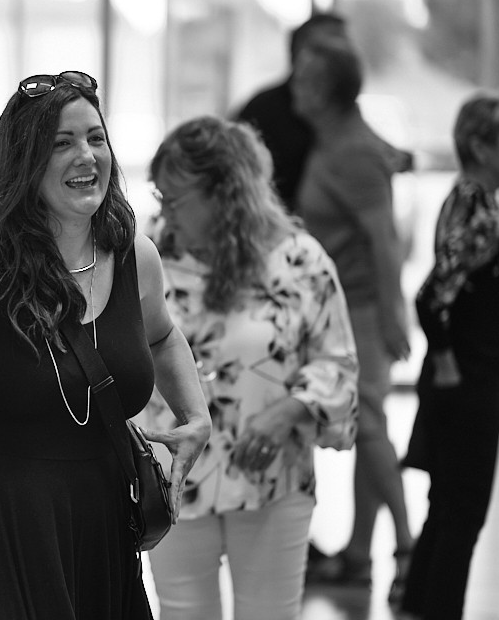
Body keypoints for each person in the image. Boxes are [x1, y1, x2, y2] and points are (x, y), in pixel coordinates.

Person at [0, 71, 212, 620]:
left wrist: (197, 415)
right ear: (24, 162)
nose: (86, 156)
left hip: (103, 529)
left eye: (96, 138)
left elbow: (163, 334)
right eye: (62, 143)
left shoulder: (133, 255)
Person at [141, 116, 359, 620]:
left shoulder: (300, 261)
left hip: (272, 480)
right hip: (174, 475)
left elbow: (339, 362)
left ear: (224, 195)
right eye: (160, 198)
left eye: (175, 199)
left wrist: (289, 411)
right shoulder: (149, 256)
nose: (164, 212)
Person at [399, 92, 499, 620]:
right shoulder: (480, 216)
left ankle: (417, 606)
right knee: (463, 516)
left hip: (464, 383)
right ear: (481, 146)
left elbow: (466, 288)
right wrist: (450, 363)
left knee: (446, 510)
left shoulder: (470, 201)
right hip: (468, 387)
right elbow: (432, 296)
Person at [292, 37, 415, 599]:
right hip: (341, 308)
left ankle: (408, 546)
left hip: (362, 309)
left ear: (327, 91)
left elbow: (384, 239)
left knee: (367, 425)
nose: (295, 87)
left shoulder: (353, 152)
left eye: (304, 78)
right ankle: (361, 554)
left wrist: (392, 316)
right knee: (368, 428)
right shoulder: (339, 139)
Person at [235, 13, 412, 211]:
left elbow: (378, 153)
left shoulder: (344, 120)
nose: (347, 51)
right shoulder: (265, 110)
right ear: (302, 52)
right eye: (335, 42)